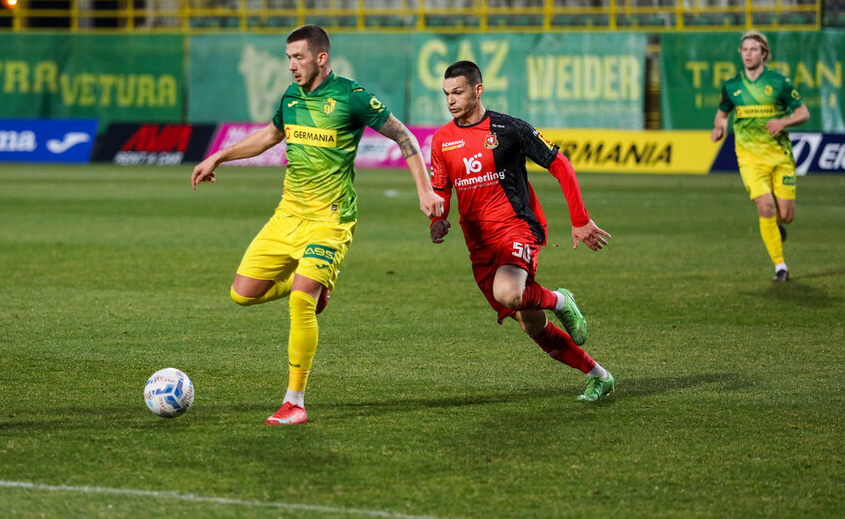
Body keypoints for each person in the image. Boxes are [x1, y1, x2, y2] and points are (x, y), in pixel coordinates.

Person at [192, 24, 443, 425]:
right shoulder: (291, 97)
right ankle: (312, 285)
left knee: (300, 302)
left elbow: (404, 136)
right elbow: (269, 136)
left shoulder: (351, 96)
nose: (291, 65)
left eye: (299, 57)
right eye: (288, 57)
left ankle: (295, 402)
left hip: (331, 220)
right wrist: (219, 156)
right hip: (287, 215)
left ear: (320, 58)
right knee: (242, 294)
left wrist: (425, 191)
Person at [428, 60, 615, 402]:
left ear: (477, 90)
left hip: (517, 228)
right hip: (479, 245)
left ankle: (560, 299)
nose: (451, 100)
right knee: (532, 325)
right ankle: (599, 375)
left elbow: (560, 165)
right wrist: (437, 221)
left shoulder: (508, 129)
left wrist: (580, 219)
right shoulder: (442, 141)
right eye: (446, 94)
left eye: (458, 92)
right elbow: (441, 191)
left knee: (510, 293)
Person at [711, 30, 810, 282]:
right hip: (749, 158)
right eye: (744, 50)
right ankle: (780, 267)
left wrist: (783, 122)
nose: (748, 54)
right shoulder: (732, 86)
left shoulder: (779, 83)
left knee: (786, 215)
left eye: (753, 49)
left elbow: (803, 113)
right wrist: (719, 128)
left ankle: (777, 227)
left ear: (764, 53)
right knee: (765, 207)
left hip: (780, 157)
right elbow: (723, 114)